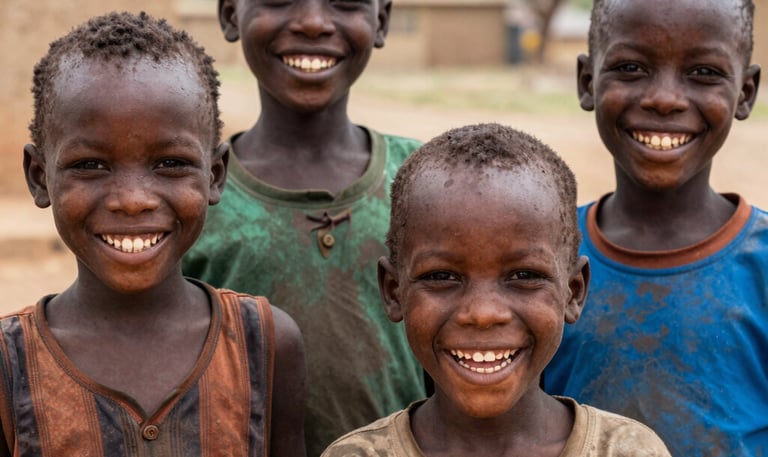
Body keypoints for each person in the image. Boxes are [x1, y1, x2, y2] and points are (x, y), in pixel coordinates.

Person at [5, 11, 306, 457]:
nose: (133, 199)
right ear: (39, 177)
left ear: (216, 175)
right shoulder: (10, 366)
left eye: (170, 163)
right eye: (90, 165)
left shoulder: (266, 344)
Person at [322, 123, 672, 457]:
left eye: (523, 275)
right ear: (393, 291)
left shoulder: (628, 450)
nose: (483, 314)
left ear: (574, 291)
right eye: (442, 277)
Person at [182, 1, 425, 455]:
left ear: (382, 20)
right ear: (231, 14)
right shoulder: (190, 196)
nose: (313, 22)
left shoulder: (427, 181)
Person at [543, 0, 768, 455]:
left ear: (745, 93)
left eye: (703, 72)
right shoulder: (541, 258)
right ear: (588, 82)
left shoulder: (762, 265)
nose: (664, 98)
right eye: (631, 67)